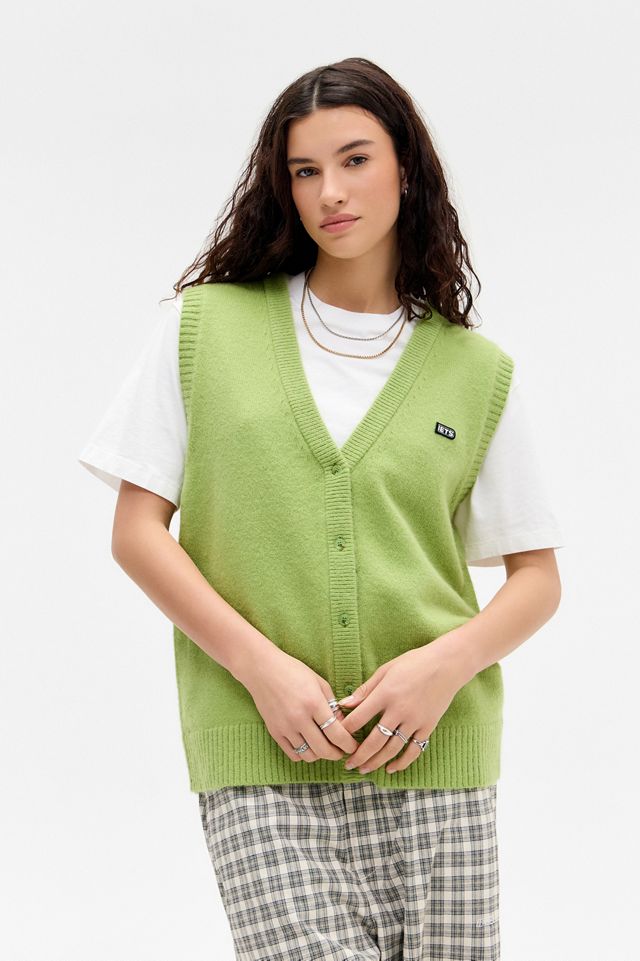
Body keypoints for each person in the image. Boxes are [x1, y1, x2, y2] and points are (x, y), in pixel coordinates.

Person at [78, 57, 563, 961]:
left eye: (355, 160)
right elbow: (138, 534)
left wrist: (443, 667)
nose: (330, 192)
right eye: (305, 171)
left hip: (435, 748)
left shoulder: (476, 371)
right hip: (264, 749)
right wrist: (260, 667)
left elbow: (536, 578)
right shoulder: (204, 328)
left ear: (407, 169)